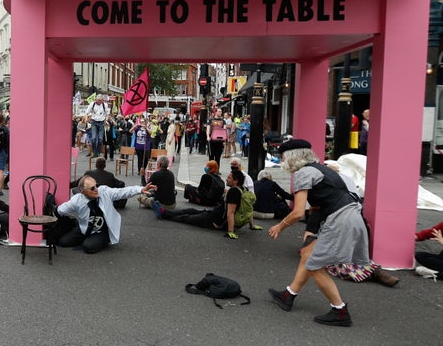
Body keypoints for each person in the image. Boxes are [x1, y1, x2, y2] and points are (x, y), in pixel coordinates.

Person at [267, 139, 370, 327]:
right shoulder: (323, 169)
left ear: (291, 157)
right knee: (308, 254)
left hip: (340, 219)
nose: (281, 161)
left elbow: (298, 212)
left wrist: (279, 226)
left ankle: (340, 311)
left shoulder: (303, 173)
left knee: (315, 266)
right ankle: (288, 295)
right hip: (349, 216)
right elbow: (320, 205)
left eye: (282, 157)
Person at [55, 175, 157, 254]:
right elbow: (60, 210)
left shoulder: (104, 192)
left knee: (88, 247)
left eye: (96, 185)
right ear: (83, 191)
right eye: (92, 188)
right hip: (85, 229)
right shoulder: (77, 200)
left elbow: (122, 192)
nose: (96, 189)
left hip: (103, 230)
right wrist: (52, 208)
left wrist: (140, 189)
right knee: (63, 242)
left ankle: (104, 238)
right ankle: (88, 237)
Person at [151, 170, 261, 238]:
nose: (226, 179)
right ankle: (164, 211)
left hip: (214, 220)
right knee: (191, 211)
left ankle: (164, 213)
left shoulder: (234, 192)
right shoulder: (244, 190)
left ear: (236, 181)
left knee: (187, 218)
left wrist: (230, 231)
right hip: (214, 214)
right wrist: (252, 225)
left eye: (229, 178)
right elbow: (248, 209)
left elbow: (230, 212)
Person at [130, 117, 152, 182]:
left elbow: (150, 133)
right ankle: (140, 170)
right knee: (140, 158)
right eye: (141, 122)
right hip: (138, 146)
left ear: (145, 122)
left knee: (146, 159)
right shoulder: (138, 128)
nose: (142, 123)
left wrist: (146, 127)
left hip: (146, 147)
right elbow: (130, 131)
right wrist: (135, 126)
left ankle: (144, 168)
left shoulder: (147, 128)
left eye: (143, 122)